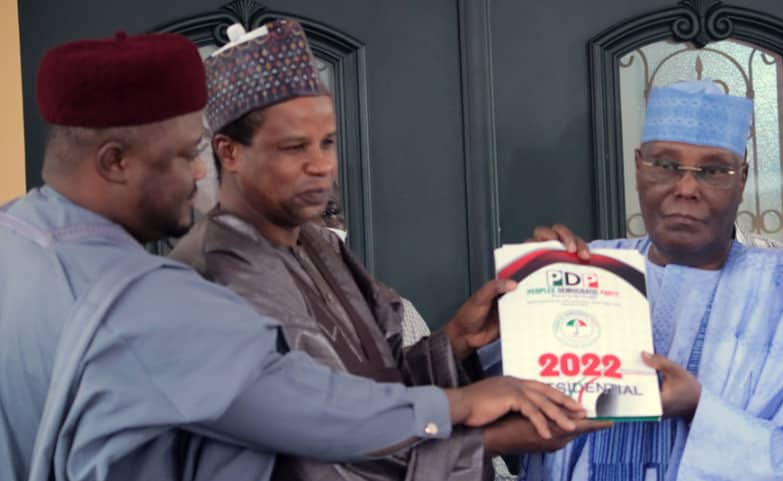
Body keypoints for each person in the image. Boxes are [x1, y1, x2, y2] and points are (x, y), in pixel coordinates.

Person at [0, 29, 581, 481]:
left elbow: (364, 380)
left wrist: (452, 344)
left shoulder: (16, 239)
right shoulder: (166, 292)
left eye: (327, 143)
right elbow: (313, 420)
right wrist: (473, 421)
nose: (198, 171)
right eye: (184, 155)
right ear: (114, 162)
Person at [168, 20, 606, 481]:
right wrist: (486, 438)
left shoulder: (316, 241)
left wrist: (456, 340)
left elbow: (381, 383)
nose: (321, 166)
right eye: (295, 147)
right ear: (229, 152)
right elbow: (320, 436)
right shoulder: (220, 266)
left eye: (328, 142)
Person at [518, 80, 783, 481]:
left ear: (743, 178)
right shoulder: (582, 276)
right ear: (637, 168)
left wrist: (701, 408)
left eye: (713, 170)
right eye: (665, 165)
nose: (686, 189)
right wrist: (527, 298)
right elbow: (487, 417)